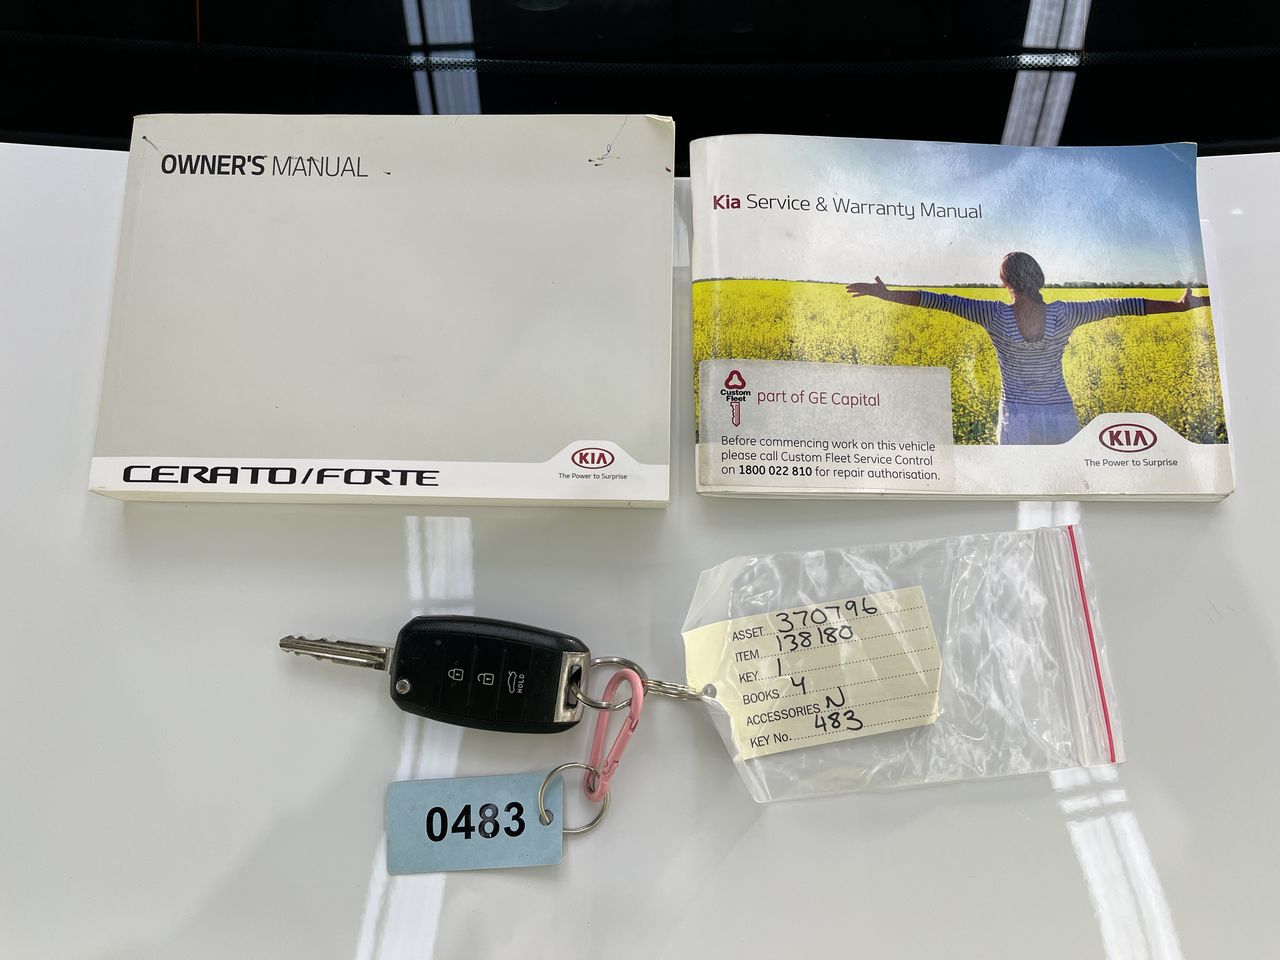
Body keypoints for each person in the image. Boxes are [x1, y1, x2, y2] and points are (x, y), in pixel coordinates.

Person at [846, 252, 1211, 444]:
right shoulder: (1065, 314)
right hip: (1061, 416)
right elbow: (1124, 305)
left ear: (1003, 282)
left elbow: (936, 300)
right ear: (1038, 279)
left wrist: (887, 295)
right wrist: (1180, 307)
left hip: (1016, 418)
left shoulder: (992, 315)